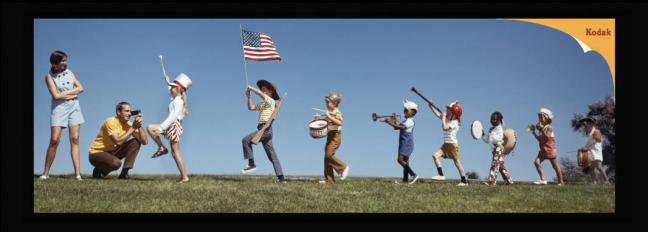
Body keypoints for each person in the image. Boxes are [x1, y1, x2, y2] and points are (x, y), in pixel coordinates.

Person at [40, 50, 85, 180]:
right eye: (63, 61)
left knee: (75, 139)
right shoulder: (49, 77)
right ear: (55, 63)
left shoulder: (69, 72)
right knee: (54, 140)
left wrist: (66, 95)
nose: (65, 63)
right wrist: (73, 93)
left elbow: (81, 88)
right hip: (59, 109)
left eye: (65, 60)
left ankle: (77, 174)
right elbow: (55, 96)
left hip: (74, 107)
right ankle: (45, 173)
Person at [147, 73, 192, 183]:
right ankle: (162, 148)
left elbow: (172, 117)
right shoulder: (176, 98)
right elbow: (172, 90)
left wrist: (161, 128)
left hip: (173, 126)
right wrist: (167, 81)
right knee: (150, 128)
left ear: (179, 89)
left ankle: (185, 177)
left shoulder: (178, 101)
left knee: (175, 153)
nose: (170, 89)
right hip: (171, 125)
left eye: (172, 87)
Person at [240, 80, 286, 183]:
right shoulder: (264, 103)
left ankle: (251, 164)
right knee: (272, 155)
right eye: (262, 89)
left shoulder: (271, 101)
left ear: (270, 93)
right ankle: (281, 178)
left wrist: (251, 89)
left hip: (266, 129)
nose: (262, 90)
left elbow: (261, 95)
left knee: (245, 140)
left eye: (265, 89)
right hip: (264, 130)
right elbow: (251, 108)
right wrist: (249, 97)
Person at [88, 102, 148, 179]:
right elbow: (118, 141)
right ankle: (98, 170)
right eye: (126, 111)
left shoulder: (129, 125)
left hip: (113, 152)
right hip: (97, 153)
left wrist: (139, 126)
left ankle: (124, 173)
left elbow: (144, 142)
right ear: (118, 112)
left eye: (130, 111)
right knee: (116, 163)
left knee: (135, 142)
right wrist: (133, 128)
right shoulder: (110, 121)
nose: (129, 114)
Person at [429, 101, 469, 186]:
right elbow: (437, 114)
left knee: (457, 163)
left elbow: (445, 128)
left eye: (450, 111)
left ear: (454, 114)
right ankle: (441, 175)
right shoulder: (447, 118)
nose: (447, 111)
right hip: (446, 144)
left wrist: (443, 118)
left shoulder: (455, 122)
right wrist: (431, 106)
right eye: (448, 110)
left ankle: (464, 181)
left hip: (452, 145)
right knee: (434, 156)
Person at [316, 93, 349, 184]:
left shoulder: (337, 112)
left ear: (334, 103)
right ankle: (329, 180)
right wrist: (320, 118)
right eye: (326, 102)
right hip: (329, 137)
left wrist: (329, 116)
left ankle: (343, 168)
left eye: (328, 102)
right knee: (326, 157)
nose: (326, 104)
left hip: (335, 137)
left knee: (329, 155)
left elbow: (339, 122)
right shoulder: (329, 112)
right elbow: (327, 122)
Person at [384, 100, 419, 184]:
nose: (404, 112)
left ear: (413, 113)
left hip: (406, 143)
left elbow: (400, 127)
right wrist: (393, 120)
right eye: (404, 110)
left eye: (406, 110)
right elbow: (396, 127)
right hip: (405, 143)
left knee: (400, 160)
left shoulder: (410, 121)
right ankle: (405, 180)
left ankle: (413, 175)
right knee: (405, 162)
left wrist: (390, 123)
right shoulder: (405, 121)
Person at [530, 108, 564, 186]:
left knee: (554, 165)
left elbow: (547, 137)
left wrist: (541, 129)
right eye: (539, 117)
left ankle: (561, 181)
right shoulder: (542, 128)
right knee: (536, 162)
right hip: (543, 149)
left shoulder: (549, 127)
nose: (540, 119)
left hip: (550, 149)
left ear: (547, 118)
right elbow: (540, 139)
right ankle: (543, 179)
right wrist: (533, 132)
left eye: (541, 117)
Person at [482, 111, 513, 186]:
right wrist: (483, 135)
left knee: (495, 164)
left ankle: (491, 181)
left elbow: (496, 139)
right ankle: (508, 180)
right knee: (501, 166)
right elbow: (488, 140)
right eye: (492, 119)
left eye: (495, 119)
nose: (493, 120)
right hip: (495, 149)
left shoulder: (499, 129)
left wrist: (491, 132)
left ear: (499, 120)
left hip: (498, 149)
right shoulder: (493, 129)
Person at [579, 117, 610, 184]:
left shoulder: (596, 131)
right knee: (591, 168)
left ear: (591, 124)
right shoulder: (590, 133)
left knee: (599, 166)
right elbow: (589, 143)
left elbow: (597, 140)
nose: (585, 127)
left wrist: (586, 148)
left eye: (586, 125)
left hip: (596, 152)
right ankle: (594, 181)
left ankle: (606, 181)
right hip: (591, 152)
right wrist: (584, 148)